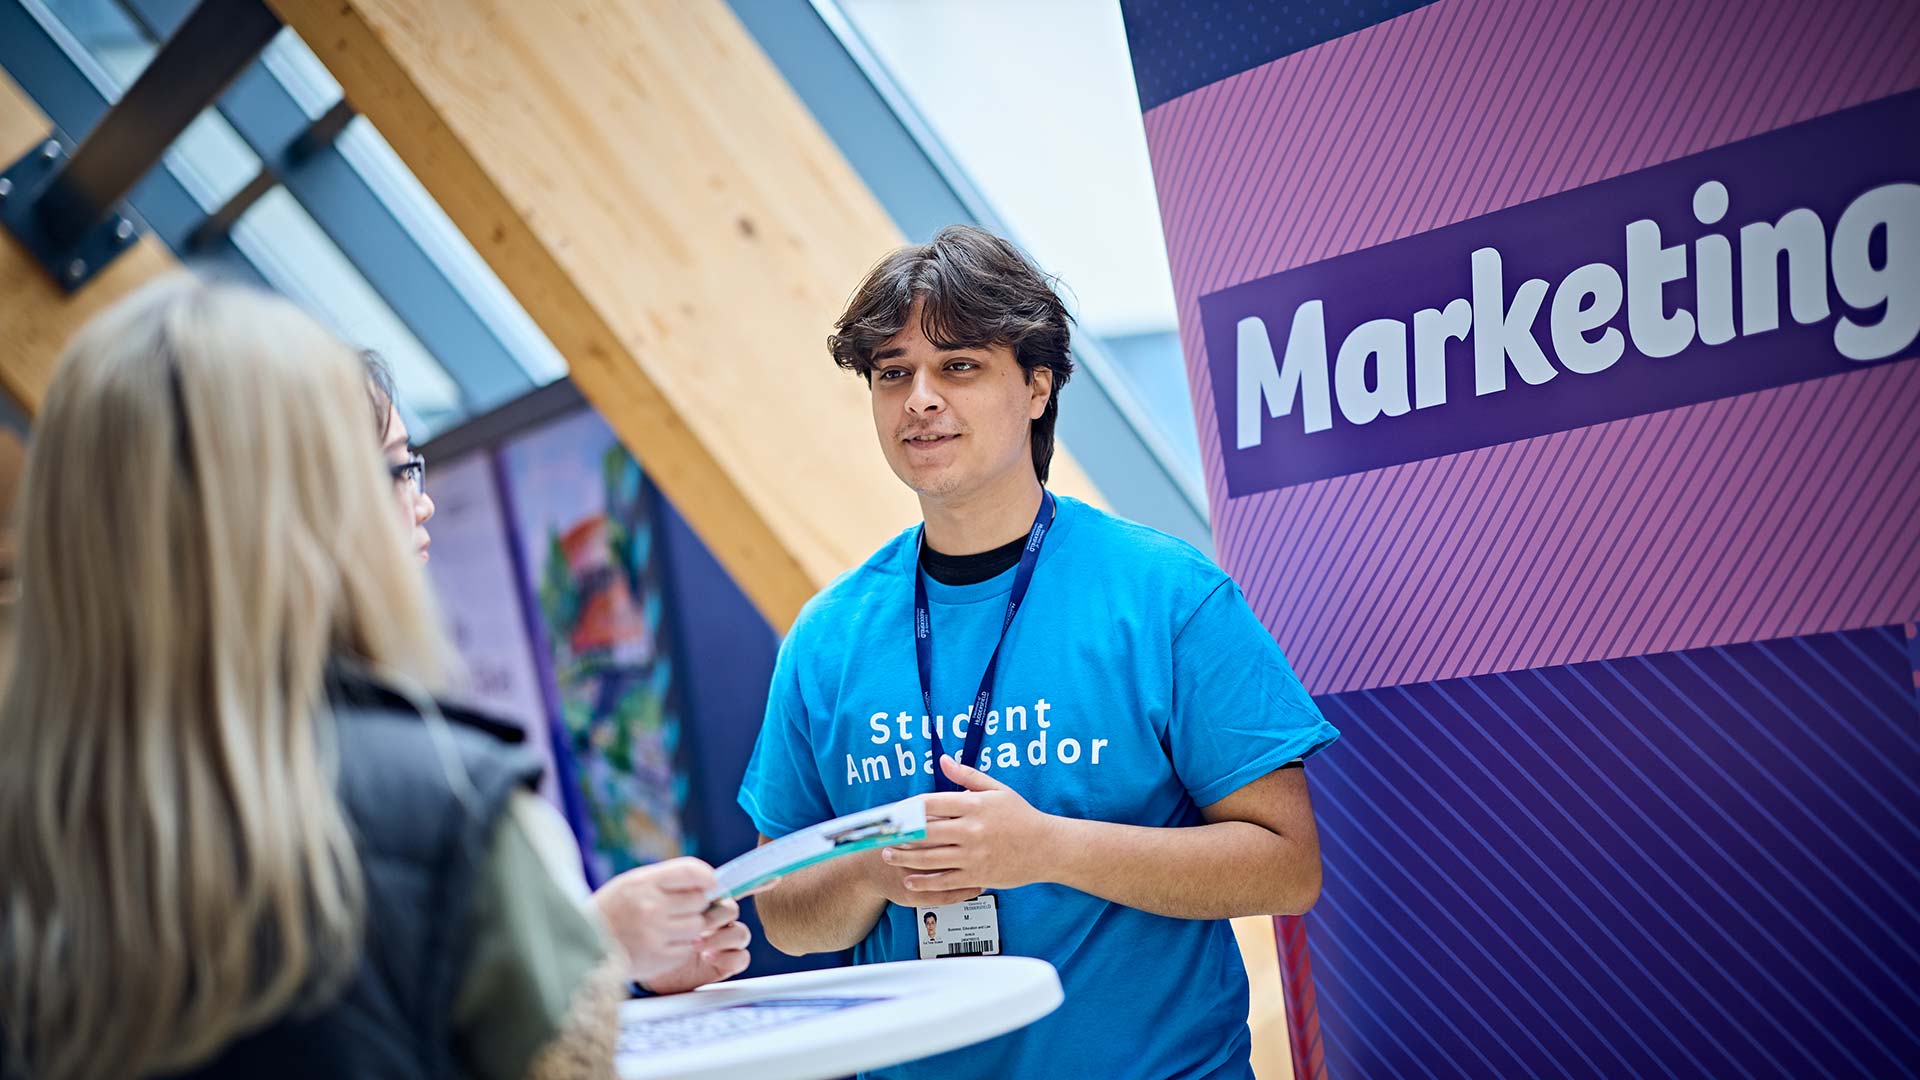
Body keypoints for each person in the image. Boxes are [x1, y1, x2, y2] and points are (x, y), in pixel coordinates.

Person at [0, 277, 726, 1080]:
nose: (419, 504)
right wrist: (574, 957)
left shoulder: (35, 802)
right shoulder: (454, 798)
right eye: (392, 472)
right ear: (302, 505)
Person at [739, 226, 1340, 1079]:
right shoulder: (826, 638)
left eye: (958, 366)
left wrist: (1046, 849)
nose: (919, 399)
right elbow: (786, 913)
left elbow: (1287, 867)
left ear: (1036, 385)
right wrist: (879, 868)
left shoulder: (1166, 595)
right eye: (892, 373)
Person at [353, 349, 754, 1000]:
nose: (421, 504)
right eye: (398, 470)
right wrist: (596, 941)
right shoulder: (331, 743)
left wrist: (614, 963)